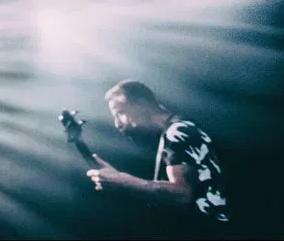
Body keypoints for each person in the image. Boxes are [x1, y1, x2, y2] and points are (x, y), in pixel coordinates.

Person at [87, 79, 232, 232]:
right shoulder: (176, 130)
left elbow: (182, 195)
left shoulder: (177, 132)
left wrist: (123, 181)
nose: (117, 124)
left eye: (121, 113)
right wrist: (117, 178)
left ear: (142, 104)